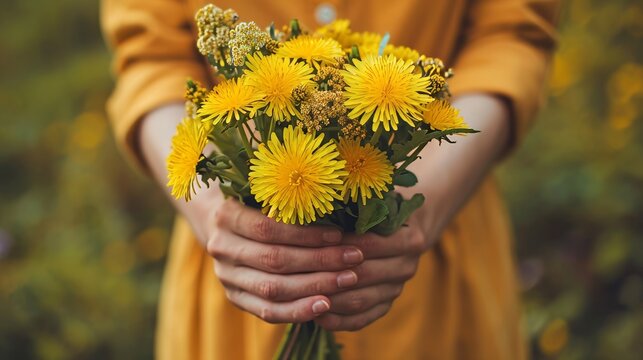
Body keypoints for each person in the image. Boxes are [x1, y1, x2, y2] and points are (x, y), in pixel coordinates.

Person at [101, 0, 559, 358]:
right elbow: (150, 60)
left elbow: (511, 35)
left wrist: (425, 199)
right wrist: (213, 211)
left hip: (443, 261)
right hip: (239, 271)